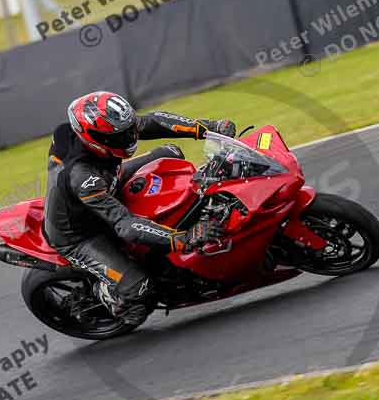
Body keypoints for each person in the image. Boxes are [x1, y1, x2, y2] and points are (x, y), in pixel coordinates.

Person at [43, 91, 236, 326]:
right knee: (139, 289)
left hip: (107, 183)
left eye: (129, 130)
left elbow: (151, 122)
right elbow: (125, 226)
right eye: (121, 136)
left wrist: (209, 128)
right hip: (80, 235)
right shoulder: (83, 177)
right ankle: (110, 297)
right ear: (96, 138)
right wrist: (184, 238)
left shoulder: (94, 136)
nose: (131, 136)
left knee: (170, 153)